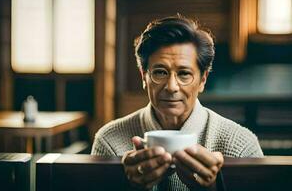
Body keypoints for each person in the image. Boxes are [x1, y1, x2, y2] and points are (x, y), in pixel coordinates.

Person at [91, 15, 263, 190]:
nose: (171, 87)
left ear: (203, 80)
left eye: (184, 74)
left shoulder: (240, 144)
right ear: (144, 77)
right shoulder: (110, 141)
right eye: (160, 72)